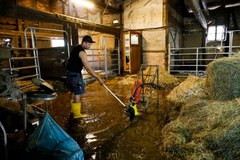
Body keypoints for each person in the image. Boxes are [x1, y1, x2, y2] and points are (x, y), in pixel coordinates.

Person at [66, 35, 104, 119]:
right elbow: (88, 68)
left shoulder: (76, 47)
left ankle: (73, 110)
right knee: (78, 92)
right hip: (75, 74)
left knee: (73, 91)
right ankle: (77, 114)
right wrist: (98, 77)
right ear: (84, 42)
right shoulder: (82, 52)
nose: (90, 46)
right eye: (89, 44)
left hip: (70, 73)